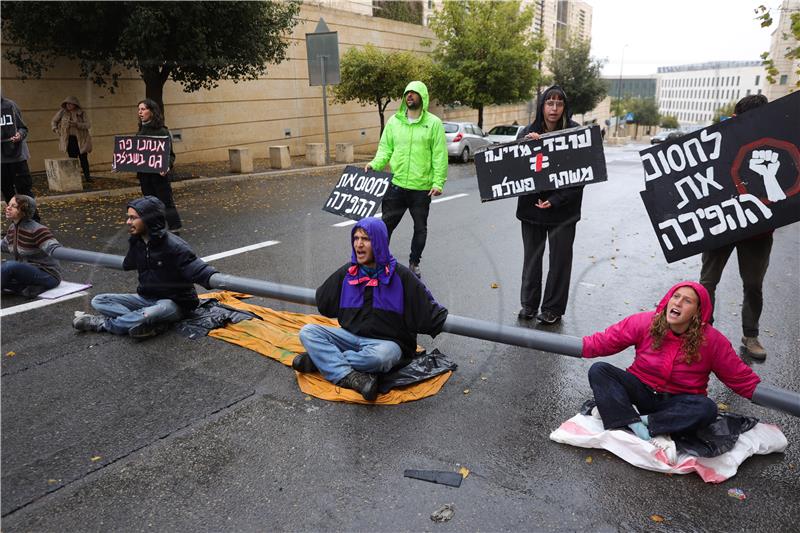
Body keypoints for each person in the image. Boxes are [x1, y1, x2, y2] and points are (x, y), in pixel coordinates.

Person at [583, 282, 760, 444]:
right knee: (600, 370)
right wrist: (581, 346)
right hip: (641, 391)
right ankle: (634, 424)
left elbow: (738, 376)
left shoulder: (712, 341)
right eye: (675, 297)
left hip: (677, 402)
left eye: (687, 301)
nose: (677, 303)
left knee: (708, 409)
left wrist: (765, 395)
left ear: (697, 312)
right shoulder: (645, 322)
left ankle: (643, 421)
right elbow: (606, 340)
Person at [295, 217, 448, 401]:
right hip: (350, 338)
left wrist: (438, 318)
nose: (359, 244)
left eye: (366, 239)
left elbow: (428, 313)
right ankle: (348, 376)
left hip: (387, 345)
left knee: (380, 358)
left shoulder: (400, 276)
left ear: (379, 242)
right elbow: (324, 303)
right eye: (356, 238)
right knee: (308, 332)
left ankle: (322, 361)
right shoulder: (348, 273)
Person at [72, 196, 216, 338]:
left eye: (133, 218)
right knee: (98, 300)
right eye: (128, 217)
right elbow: (128, 264)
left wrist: (217, 278)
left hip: (174, 303)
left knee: (153, 312)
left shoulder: (175, 246)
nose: (128, 222)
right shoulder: (138, 242)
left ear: (149, 219)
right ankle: (148, 323)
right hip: (147, 299)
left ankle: (103, 324)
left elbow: (197, 268)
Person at [700, 94, 772, 361]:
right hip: (720, 222)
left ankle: (750, 334)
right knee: (708, 282)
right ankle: (702, 331)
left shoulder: (776, 138)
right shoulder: (720, 137)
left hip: (758, 228)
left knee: (753, 283)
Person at [365, 81, 448, 278]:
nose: (409, 95)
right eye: (407, 93)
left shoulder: (433, 123)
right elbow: (385, 148)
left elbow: (439, 155)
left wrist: (438, 182)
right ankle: (379, 260)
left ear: (423, 97)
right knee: (385, 226)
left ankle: (414, 263)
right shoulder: (394, 121)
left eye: (414, 93)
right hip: (396, 185)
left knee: (420, 228)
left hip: (421, 188)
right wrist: (375, 164)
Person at [515, 85, 583, 324]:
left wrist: (556, 200)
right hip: (532, 209)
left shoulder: (575, 133)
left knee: (560, 261)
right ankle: (529, 304)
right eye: (549, 103)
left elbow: (580, 175)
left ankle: (553, 308)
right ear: (542, 105)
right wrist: (528, 148)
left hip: (564, 212)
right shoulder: (527, 132)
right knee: (531, 259)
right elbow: (516, 171)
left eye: (559, 103)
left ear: (565, 107)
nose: (554, 108)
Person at [134, 99, 181, 231]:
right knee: (149, 203)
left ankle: (174, 227)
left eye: (143, 109)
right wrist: (122, 164)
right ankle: (156, 227)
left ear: (152, 112)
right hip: (144, 175)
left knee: (166, 202)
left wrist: (166, 166)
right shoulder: (140, 132)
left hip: (159, 176)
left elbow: (170, 155)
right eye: (139, 110)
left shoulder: (162, 131)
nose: (140, 112)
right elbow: (136, 155)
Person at [1, 195, 61, 298]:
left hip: (48, 275)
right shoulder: (12, 228)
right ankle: (26, 289)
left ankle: (23, 288)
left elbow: (53, 247)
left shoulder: (38, 230)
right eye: (8, 205)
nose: (8, 208)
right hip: (27, 272)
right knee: (5, 269)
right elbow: (3, 245)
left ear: (24, 211)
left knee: (9, 266)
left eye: (14, 206)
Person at [1, 95, 40, 222]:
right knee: (7, 191)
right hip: (1, 160)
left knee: (24, 191)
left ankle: (34, 222)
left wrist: (19, 135)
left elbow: (23, 128)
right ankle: (17, 223)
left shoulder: (10, 105)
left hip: (17, 157)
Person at [51, 96, 93, 183]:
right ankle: (75, 177)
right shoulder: (62, 112)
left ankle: (87, 177)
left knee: (83, 159)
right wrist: (56, 129)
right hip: (69, 139)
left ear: (75, 104)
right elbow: (54, 121)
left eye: (70, 104)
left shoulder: (81, 113)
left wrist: (77, 124)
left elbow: (88, 125)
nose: (68, 105)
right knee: (72, 159)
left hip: (81, 139)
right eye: (67, 104)